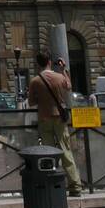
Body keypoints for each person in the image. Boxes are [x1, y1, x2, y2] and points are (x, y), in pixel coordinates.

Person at [27, 50, 83, 197]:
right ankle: (75, 186)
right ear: (50, 62)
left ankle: (53, 184)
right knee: (65, 150)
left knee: (48, 152)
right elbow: (69, 86)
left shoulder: (35, 81)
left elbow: (31, 102)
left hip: (44, 118)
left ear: (38, 64)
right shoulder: (59, 77)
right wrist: (63, 70)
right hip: (59, 118)